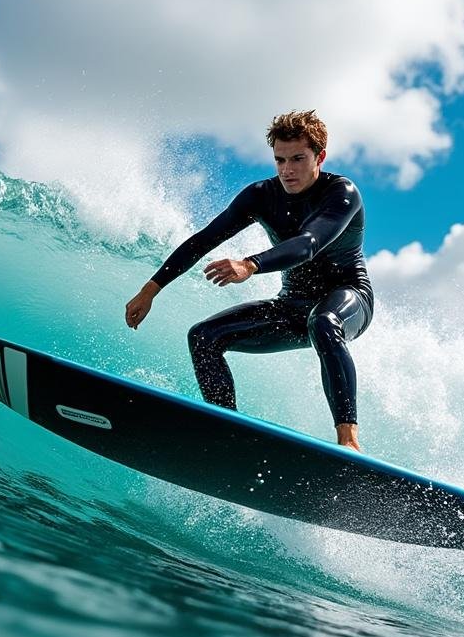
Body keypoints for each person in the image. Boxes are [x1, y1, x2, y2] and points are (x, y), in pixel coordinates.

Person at [124, 110, 373, 452]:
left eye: (298, 159)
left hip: (348, 300)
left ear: (320, 156)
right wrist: (150, 289)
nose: (287, 169)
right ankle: (229, 431)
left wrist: (250, 265)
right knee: (203, 337)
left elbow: (308, 244)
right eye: (280, 160)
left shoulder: (341, 193)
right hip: (293, 306)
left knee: (325, 322)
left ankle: (349, 441)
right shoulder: (261, 196)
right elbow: (203, 240)